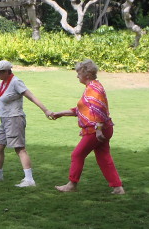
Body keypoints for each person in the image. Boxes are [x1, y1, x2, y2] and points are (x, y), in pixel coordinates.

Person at [51, 59, 125, 194]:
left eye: (79, 73)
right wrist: (60, 113)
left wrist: (98, 130)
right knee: (104, 157)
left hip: (96, 130)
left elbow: (99, 110)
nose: (77, 75)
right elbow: (81, 110)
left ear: (87, 75)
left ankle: (72, 185)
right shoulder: (92, 87)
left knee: (77, 155)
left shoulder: (93, 89)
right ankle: (118, 187)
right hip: (102, 129)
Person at [0, 60, 53, 187]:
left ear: (6, 72)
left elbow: (31, 96)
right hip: (4, 119)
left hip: (14, 119)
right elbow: (1, 102)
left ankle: (29, 179)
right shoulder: (3, 83)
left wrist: (45, 110)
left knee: (19, 148)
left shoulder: (16, 82)